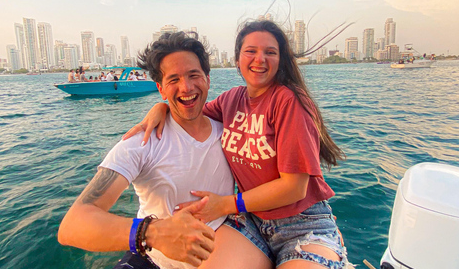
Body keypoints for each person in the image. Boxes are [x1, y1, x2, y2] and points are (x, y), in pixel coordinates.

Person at [125, 20, 349, 268]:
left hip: (302, 224)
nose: (259, 59)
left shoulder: (289, 101)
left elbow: (294, 188)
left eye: (270, 52)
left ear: (280, 59)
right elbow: (191, 113)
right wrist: (161, 107)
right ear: (238, 57)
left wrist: (224, 205)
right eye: (251, 51)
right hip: (252, 221)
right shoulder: (231, 100)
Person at [58, 32, 254, 269]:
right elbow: (72, 226)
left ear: (208, 79)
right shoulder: (142, 141)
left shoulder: (230, 134)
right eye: (174, 80)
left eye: (194, 75)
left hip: (220, 252)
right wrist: (153, 233)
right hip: (155, 259)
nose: (187, 87)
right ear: (161, 89)